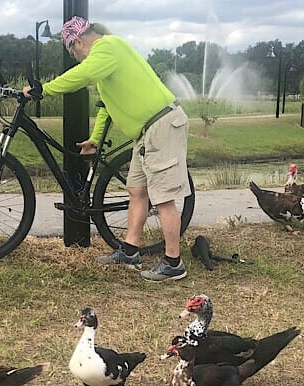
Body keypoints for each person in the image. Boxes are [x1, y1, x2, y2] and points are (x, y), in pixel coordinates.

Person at [24, 17, 190, 282]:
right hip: (147, 132)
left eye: (71, 52)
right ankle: (130, 251)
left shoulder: (108, 46)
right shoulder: (104, 61)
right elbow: (106, 108)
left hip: (162, 125)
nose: (75, 57)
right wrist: (95, 139)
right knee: (136, 191)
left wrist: (44, 89)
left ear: (78, 42)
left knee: (163, 198)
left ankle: (173, 263)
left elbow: (83, 74)